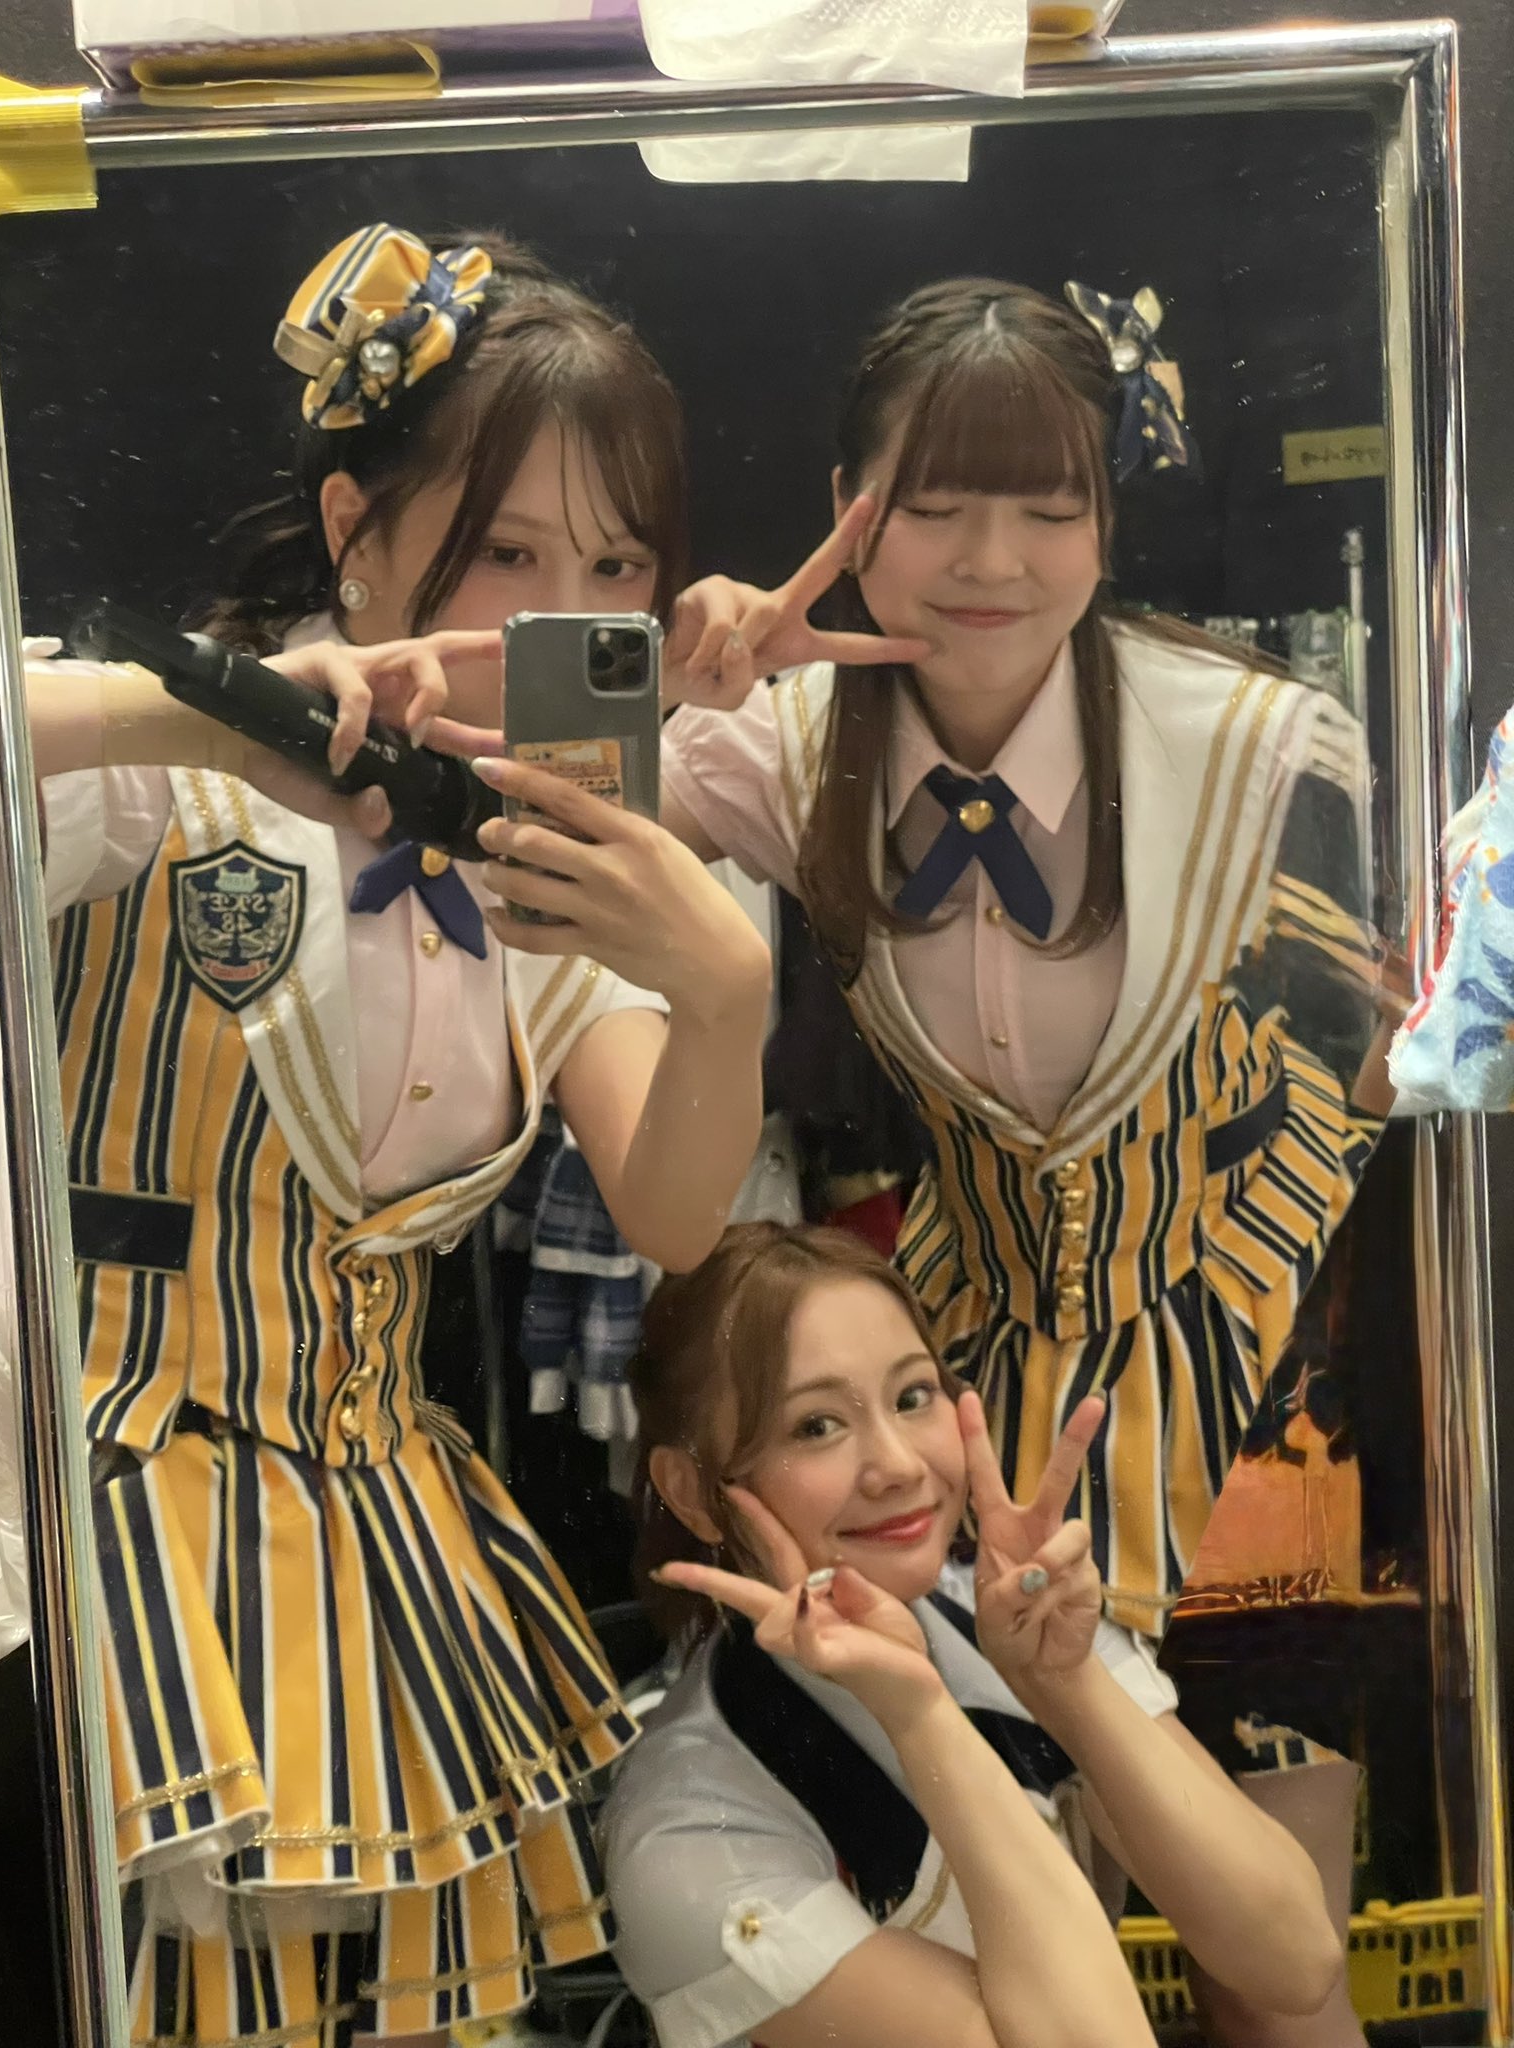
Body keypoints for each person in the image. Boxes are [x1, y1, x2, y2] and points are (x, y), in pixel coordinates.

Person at [19, 219, 879, 2048]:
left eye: (615, 563)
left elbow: (670, 1212)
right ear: (355, 526)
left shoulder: (557, 830)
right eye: (506, 549)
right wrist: (212, 721)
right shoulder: (171, 766)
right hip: (107, 1526)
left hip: (372, 1524)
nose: (557, 612)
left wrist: (724, 991)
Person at [656, 277, 1386, 2046]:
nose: (993, 560)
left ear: (1107, 521)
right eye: (935, 505)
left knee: (1274, 1957)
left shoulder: (1260, 744)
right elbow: (509, 818)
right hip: (980, 1405)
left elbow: (1363, 1082)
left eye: (1050, 507)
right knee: (1055, 1923)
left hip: (1260, 1390)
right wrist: (658, 676)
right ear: (849, 512)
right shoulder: (782, 745)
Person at [603, 1221, 1344, 2048]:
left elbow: (1296, 1960)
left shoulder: (1007, 1615)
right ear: (691, 1490)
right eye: (816, 1426)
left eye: (913, 1397)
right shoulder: (693, 1833)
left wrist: (1066, 1684)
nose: (898, 1465)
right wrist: (920, 1715)